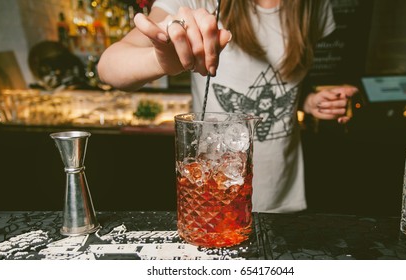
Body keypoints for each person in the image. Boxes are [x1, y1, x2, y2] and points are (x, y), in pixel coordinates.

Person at [97, 0, 357, 213]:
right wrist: (160, 61)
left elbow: (283, 78)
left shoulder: (313, 6)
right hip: (215, 197)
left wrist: (309, 101)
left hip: (284, 192)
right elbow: (109, 68)